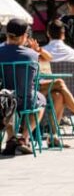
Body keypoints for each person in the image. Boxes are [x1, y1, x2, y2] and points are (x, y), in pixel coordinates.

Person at [26, 34, 74, 142]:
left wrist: (38, 50)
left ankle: (53, 136)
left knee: (58, 96)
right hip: (30, 91)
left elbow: (50, 58)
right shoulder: (24, 54)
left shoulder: (32, 53)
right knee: (59, 82)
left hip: (38, 89)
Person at [0, 19, 46, 155]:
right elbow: (36, 78)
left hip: (5, 101)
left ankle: (11, 136)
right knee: (41, 99)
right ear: (24, 36)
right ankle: (24, 138)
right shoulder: (31, 55)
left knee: (8, 100)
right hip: (26, 100)